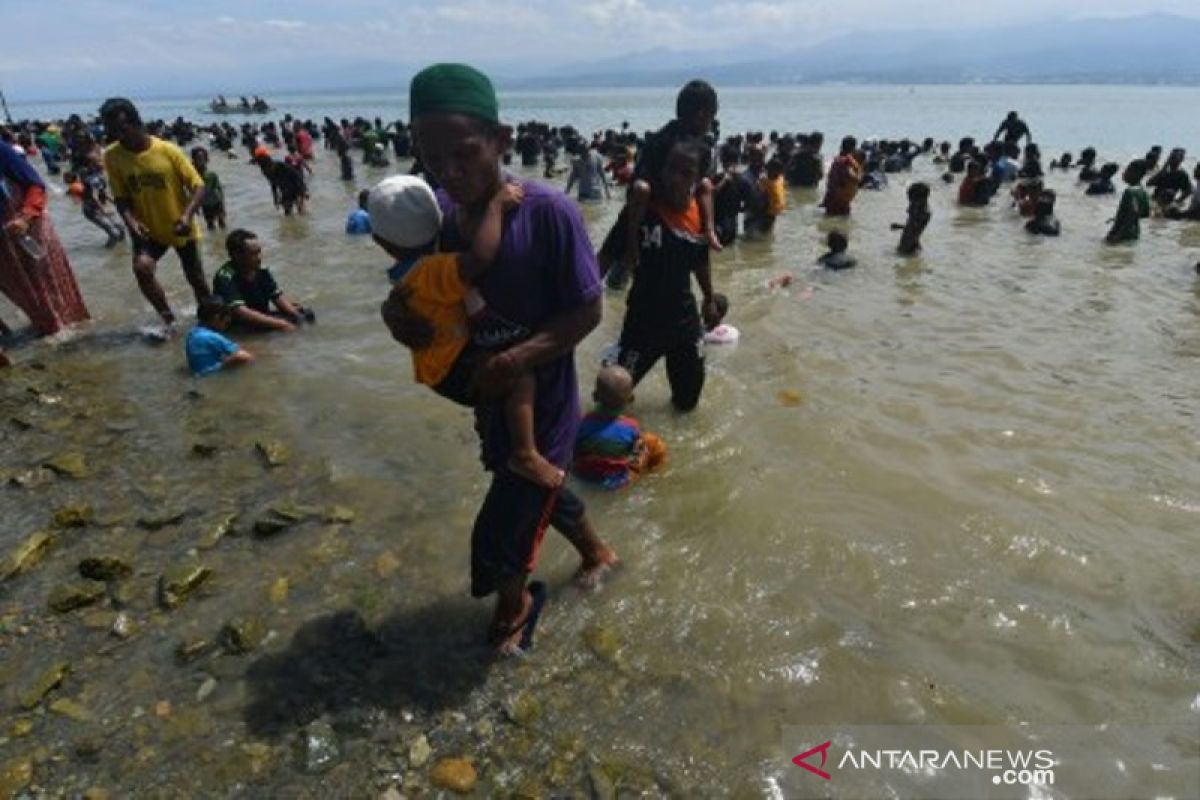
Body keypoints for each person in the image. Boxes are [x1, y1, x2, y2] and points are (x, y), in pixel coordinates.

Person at [379, 63, 617, 656]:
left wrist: (515, 361)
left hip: (542, 396)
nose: (452, 174)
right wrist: (396, 318)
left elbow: (588, 312)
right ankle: (598, 553)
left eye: (466, 155)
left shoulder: (547, 212)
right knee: (529, 494)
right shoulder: (434, 216)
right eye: (435, 160)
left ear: (502, 141)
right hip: (487, 395)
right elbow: (421, 291)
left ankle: (513, 610)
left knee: (503, 528)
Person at [369, 174, 565, 489]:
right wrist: (497, 207)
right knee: (519, 372)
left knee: (495, 381)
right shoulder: (433, 269)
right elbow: (480, 258)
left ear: (380, 242)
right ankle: (525, 453)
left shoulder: (404, 274)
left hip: (440, 365)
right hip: (452, 368)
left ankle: (492, 419)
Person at [599, 137, 721, 412]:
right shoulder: (640, 211)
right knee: (612, 398)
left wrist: (709, 298)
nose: (675, 178)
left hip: (685, 320)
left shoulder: (699, 213)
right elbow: (603, 259)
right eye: (670, 168)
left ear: (698, 177)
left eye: (685, 173)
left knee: (687, 403)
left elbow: (700, 261)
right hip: (643, 320)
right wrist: (576, 300)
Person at [101, 97, 208, 329]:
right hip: (147, 229)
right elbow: (120, 197)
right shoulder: (112, 156)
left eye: (121, 127)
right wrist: (131, 222)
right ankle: (169, 320)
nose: (117, 133)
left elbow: (199, 186)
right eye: (111, 129)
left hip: (180, 224)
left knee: (196, 278)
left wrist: (187, 216)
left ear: (133, 122)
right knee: (142, 269)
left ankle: (211, 319)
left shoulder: (168, 150)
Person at [619, 80, 722, 271]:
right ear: (701, 115)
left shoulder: (703, 145)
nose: (711, 122)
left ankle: (709, 230)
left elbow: (700, 180)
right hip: (651, 196)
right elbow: (643, 177)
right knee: (642, 189)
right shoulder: (662, 141)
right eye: (711, 116)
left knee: (707, 185)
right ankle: (631, 243)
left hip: (681, 196)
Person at [0, 139, 91, 339]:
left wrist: (25, 217)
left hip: (28, 226)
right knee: (18, 289)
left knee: (49, 280)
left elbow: (36, 184)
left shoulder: (2, 151)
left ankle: (69, 331)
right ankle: (44, 329)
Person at [573, 365, 667, 489]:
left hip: (585, 477)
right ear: (631, 399)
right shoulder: (631, 426)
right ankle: (654, 473)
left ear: (595, 396)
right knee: (652, 442)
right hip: (619, 481)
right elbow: (638, 451)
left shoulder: (582, 422)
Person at [212, 229, 311, 332]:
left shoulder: (262, 271)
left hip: (260, 315)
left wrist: (297, 315)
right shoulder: (225, 277)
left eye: (259, 252)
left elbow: (277, 297)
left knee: (306, 315)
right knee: (282, 327)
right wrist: (281, 324)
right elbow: (240, 312)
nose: (259, 258)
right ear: (237, 256)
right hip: (239, 323)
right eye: (253, 254)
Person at [186, 297, 253, 376]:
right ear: (216, 318)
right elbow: (243, 356)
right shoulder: (212, 337)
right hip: (214, 374)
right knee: (242, 356)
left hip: (198, 373)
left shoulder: (192, 333)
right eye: (226, 323)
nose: (225, 328)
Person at [79, 151, 125, 247]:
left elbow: (103, 191)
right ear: (91, 164)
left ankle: (121, 254)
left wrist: (114, 201)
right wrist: (103, 210)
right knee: (114, 234)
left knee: (121, 229)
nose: (101, 162)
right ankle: (109, 253)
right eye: (98, 161)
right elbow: (94, 196)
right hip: (92, 210)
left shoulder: (99, 174)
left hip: (103, 205)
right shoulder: (88, 177)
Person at [1106, 160, 1150, 244]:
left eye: (1128, 170)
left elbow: (1134, 212)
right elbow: (1145, 213)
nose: (1124, 173)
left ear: (1136, 173)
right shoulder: (1143, 191)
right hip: (1134, 233)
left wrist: (1118, 235)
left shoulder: (1130, 191)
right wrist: (1119, 217)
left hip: (1122, 234)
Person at [822, 136, 861, 216]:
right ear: (853, 148)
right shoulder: (846, 161)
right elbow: (850, 175)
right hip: (839, 200)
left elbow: (831, 180)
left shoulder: (837, 160)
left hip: (834, 197)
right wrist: (858, 179)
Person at [745, 157, 786, 235]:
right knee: (764, 231)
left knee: (769, 230)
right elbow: (760, 195)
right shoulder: (764, 181)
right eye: (776, 169)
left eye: (779, 170)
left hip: (774, 212)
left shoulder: (780, 178)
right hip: (767, 211)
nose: (779, 172)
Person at [191, 146, 226, 231]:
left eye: (202, 158)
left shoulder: (211, 174)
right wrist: (195, 206)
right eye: (198, 158)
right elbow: (193, 191)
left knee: (222, 222)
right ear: (194, 160)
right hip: (205, 204)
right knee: (210, 224)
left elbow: (219, 189)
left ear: (206, 159)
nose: (200, 161)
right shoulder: (193, 175)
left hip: (216, 201)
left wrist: (222, 203)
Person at [893, 182, 931, 255]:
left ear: (921, 199)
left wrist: (913, 211)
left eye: (912, 201)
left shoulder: (922, 213)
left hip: (909, 247)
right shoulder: (923, 212)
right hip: (911, 244)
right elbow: (913, 228)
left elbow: (914, 229)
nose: (907, 209)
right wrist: (899, 226)